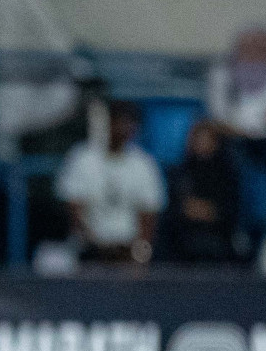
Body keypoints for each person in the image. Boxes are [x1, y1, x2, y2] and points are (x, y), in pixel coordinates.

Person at [206, 26, 266, 261]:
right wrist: (240, 129)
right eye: (249, 46)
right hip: (235, 138)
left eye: (261, 47)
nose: (254, 52)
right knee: (239, 172)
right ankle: (241, 230)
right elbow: (217, 117)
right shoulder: (222, 73)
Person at [56, 99, 166, 265]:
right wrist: (95, 245)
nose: (122, 128)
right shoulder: (82, 158)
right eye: (118, 121)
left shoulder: (143, 164)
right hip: (89, 251)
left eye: (128, 123)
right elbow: (73, 209)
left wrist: (139, 255)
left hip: (129, 252)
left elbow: (149, 215)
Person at [159, 119, 242, 264]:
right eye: (197, 139)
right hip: (184, 239)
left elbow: (230, 211)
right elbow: (172, 207)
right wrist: (187, 209)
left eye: (206, 139)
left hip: (217, 240)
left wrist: (209, 211)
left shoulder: (226, 175)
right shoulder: (180, 172)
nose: (200, 144)